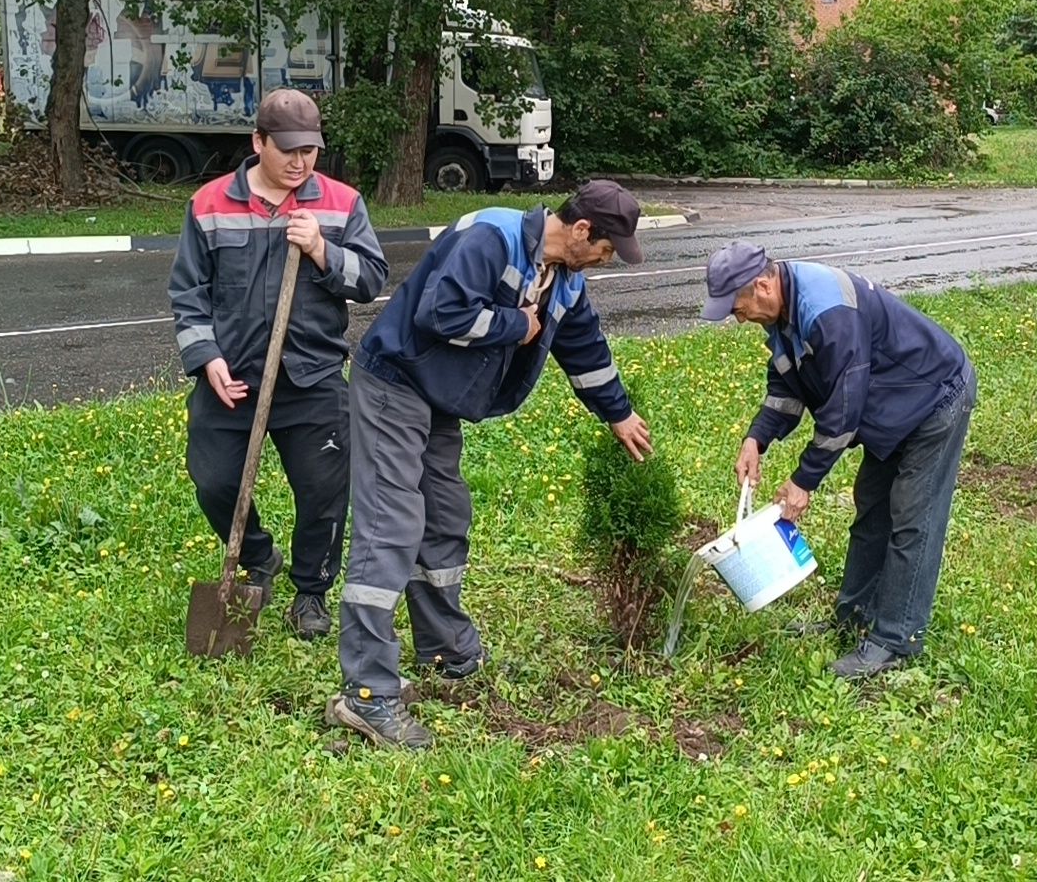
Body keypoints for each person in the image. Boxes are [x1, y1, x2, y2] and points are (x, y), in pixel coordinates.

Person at [329, 181, 654, 749]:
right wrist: (516, 325)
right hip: (395, 383)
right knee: (391, 526)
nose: (606, 261)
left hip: (439, 397)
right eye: (606, 249)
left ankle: (444, 649)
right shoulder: (491, 238)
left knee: (445, 517)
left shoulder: (564, 278)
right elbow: (440, 312)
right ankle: (367, 693)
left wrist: (619, 414)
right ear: (582, 231)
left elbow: (585, 348)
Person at [169, 88, 389, 638]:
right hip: (233, 378)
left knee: (323, 491)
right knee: (213, 481)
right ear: (258, 142)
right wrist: (206, 357)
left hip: (311, 377)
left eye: (309, 151)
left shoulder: (341, 204)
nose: (299, 162)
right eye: (287, 149)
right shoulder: (209, 205)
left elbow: (371, 279)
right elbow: (189, 293)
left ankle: (311, 591)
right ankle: (257, 556)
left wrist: (322, 250)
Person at [701, 242, 976, 680]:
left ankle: (894, 640)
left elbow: (843, 413)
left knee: (912, 519)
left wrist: (803, 482)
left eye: (738, 309)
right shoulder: (782, 312)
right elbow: (787, 386)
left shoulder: (828, 312)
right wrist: (757, 439)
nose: (739, 319)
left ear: (762, 286)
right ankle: (854, 618)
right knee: (872, 510)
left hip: (934, 397)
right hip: (892, 406)